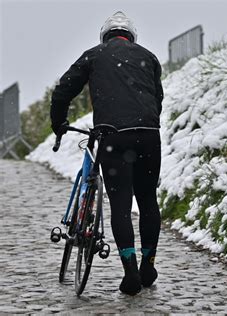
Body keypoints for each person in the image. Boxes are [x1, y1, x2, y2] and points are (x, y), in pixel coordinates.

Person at [50, 11, 163, 295]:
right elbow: (157, 99)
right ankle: (148, 265)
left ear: (105, 36)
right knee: (148, 199)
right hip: (149, 135)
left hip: (114, 136)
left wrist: (58, 123)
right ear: (131, 36)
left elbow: (62, 91)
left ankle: (130, 273)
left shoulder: (94, 55)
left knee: (121, 205)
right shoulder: (149, 57)